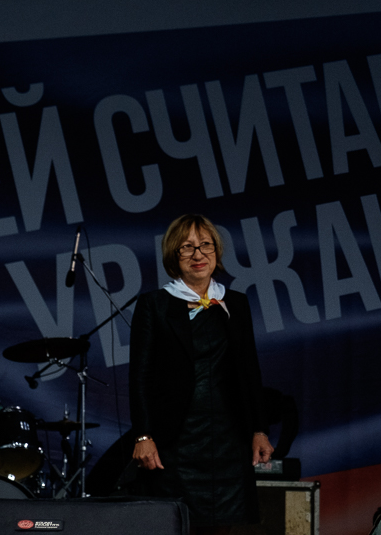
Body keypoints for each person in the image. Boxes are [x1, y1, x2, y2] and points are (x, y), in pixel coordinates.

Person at [130, 214, 274, 533]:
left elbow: (250, 371)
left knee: (225, 527)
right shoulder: (154, 305)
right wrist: (143, 435)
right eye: (187, 247)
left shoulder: (235, 303)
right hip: (175, 442)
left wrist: (259, 430)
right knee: (173, 525)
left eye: (205, 245)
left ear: (216, 252)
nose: (198, 254)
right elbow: (140, 376)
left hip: (229, 441)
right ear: (173, 255)